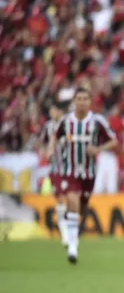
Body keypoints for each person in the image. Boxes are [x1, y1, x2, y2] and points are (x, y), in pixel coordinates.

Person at [50, 88, 118, 263]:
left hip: (89, 172)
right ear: (74, 101)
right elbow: (55, 136)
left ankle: (69, 222)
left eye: (85, 99)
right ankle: (73, 246)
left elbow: (114, 141)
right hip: (70, 170)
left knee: (80, 208)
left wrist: (98, 149)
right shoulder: (66, 121)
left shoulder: (97, 121)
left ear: (90, 101)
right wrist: (52, 151)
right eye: (78, 99)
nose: (81, 102)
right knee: (72, 199)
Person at [40, 102, 67, 246]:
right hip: (56, 169)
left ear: (59, 110)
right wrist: (46, 151)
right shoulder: (48, 126)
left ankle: (67, 229)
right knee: (61, 199)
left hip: (70, 169)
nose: (51, 113)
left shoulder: (69, 124)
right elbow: (42, 143)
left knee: (70, 200)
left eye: (53, 110)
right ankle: (64, 232)